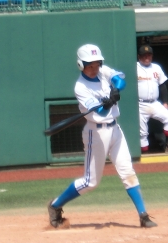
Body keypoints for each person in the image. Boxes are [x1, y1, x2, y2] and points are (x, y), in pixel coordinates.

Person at [47, 44, 158, 229]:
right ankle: (55, 205)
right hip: (96, 133)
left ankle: (143, 215)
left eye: (96, 64)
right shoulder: (80, 87)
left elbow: (121, 80)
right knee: (91, 182)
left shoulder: (102, 71)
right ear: (81, 65)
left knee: (127, 172)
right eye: (89, 65)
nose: (94, 68)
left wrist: (116, 89)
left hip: (115, 129)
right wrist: (107, 103)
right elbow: (99, 111)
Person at [136, 44, 168, 155]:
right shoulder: (134, 67)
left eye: (149, 55)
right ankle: (144, 153)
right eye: (144, 55)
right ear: (139, 56)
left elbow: (162, 86)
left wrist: (165, 102)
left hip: (154, 103)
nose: (147, 57)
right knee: (142, 132)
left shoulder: (156, 67)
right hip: (140, 104)